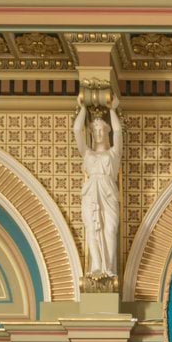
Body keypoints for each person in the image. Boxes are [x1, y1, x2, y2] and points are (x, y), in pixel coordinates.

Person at [73, 94, 124, 286]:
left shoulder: (114, 153)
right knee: (92, 230)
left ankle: (109, 268)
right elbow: (77, 130)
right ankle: (96, 266)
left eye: (102, 130)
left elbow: (118, 133)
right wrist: (83, 109)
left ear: (107, 131)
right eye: (94, 131)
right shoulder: (87, 153)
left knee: (109, 229)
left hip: (108, 192)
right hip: (90, 193)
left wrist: (113, 109)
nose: (98, 134)